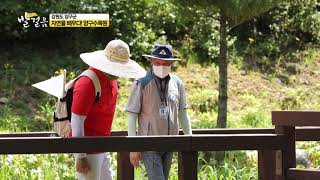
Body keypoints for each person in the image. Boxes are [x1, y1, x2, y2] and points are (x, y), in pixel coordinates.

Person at [71, 39, 145, 180]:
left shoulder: (112, 81)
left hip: (103, 145)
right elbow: (77, 120)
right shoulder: (88, 82)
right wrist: (80, 156)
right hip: (88, 149)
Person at [126, 44, 192, 180]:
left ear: (172, 63)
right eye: (157, 63)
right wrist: (133, 147)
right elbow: (131, 115)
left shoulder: (177, 83)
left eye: (166, 63)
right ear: (150, 62)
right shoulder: (141, 83)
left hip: (170, 143)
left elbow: (182, 113)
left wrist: (190, 139)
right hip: (149, 145)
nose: (161, 66)